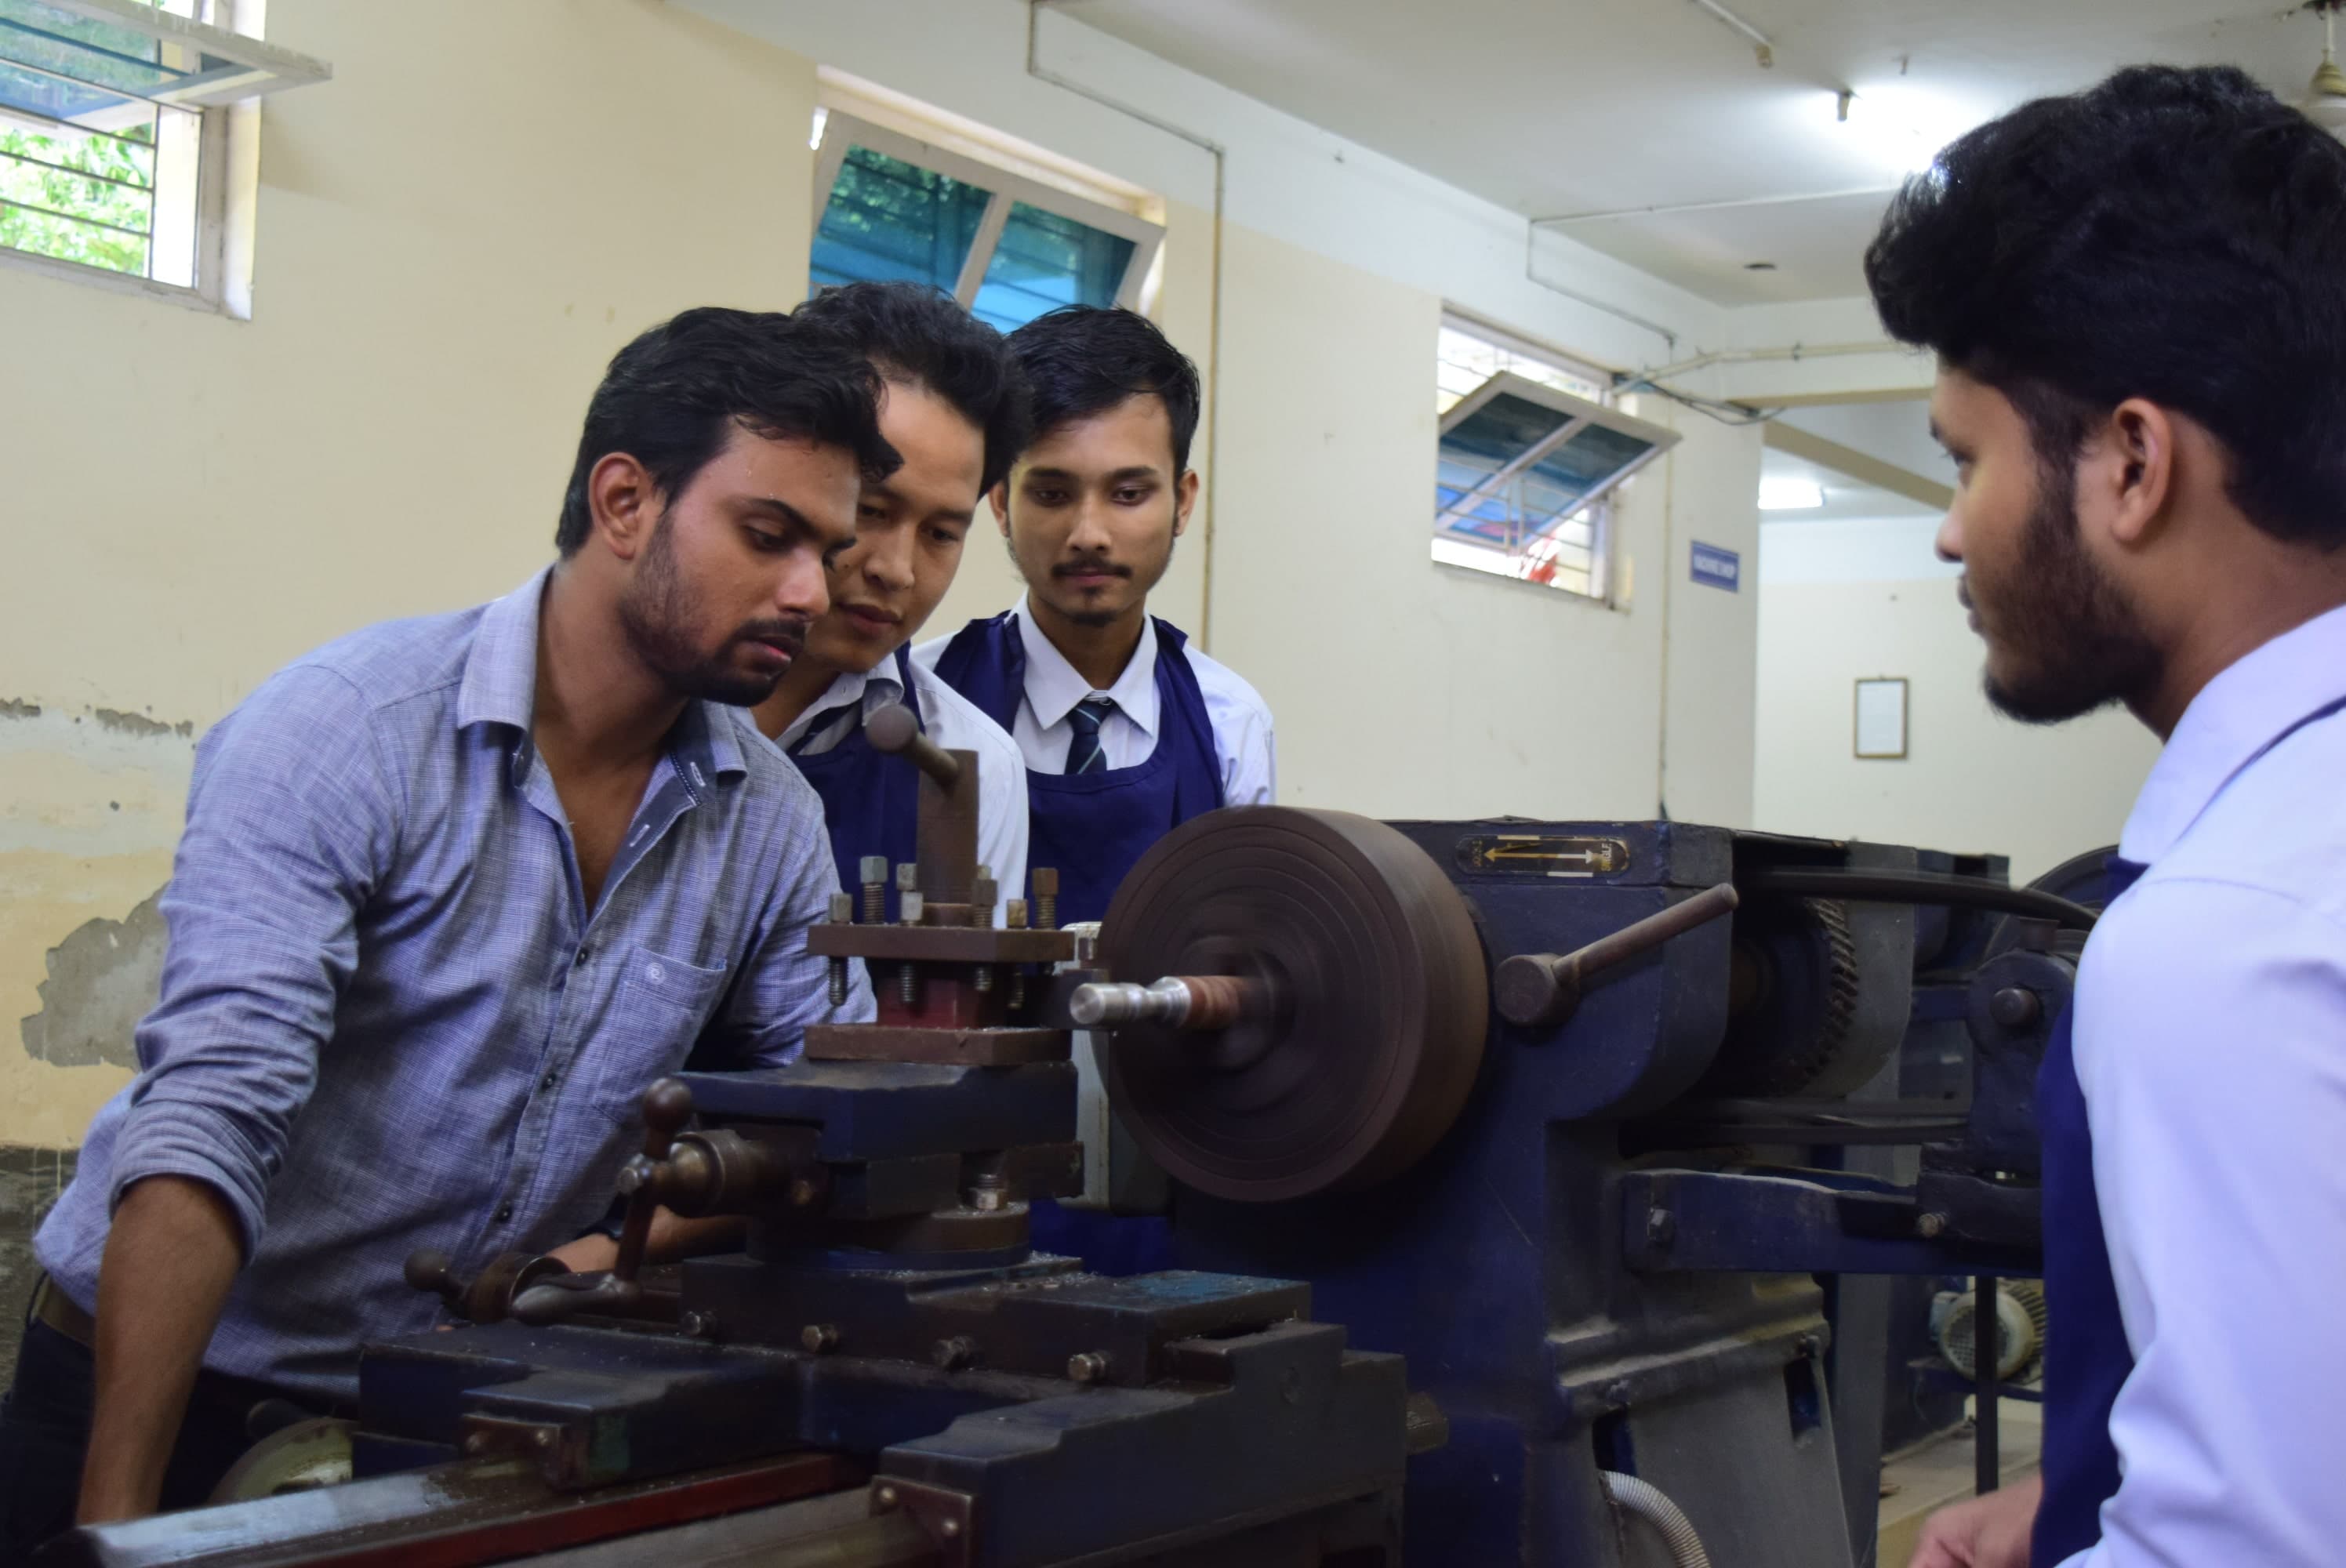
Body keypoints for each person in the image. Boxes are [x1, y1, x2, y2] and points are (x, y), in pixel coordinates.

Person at [0, 307, 894, 1552]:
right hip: (163, 1391)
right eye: (769, 535)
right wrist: (120, 1533)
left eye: (827, 549)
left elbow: (817, 1134)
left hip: (464, 1414)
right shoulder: (347, 732)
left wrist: (591, 1257)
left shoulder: (771, 825)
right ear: (625, 502)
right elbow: (208, 1125)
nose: (812, 592)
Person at [1866, 66, 2346, 1568]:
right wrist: (2084, 1488)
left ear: (2131, 464)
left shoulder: (2225, 948)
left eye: (1964, 459)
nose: (1949, 529)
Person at [917, 305, 1273, 931]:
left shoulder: (1230, 726)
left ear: (1182, 502)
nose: (1090, 534)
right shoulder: (923, 699)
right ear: (1000, 502)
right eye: (1052, 494)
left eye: (1129, 494)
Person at [752, 284, 1030, 920]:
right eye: (871, 509)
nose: (897, 570)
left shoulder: (975, 767)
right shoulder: (649, 694)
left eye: (941, 534)